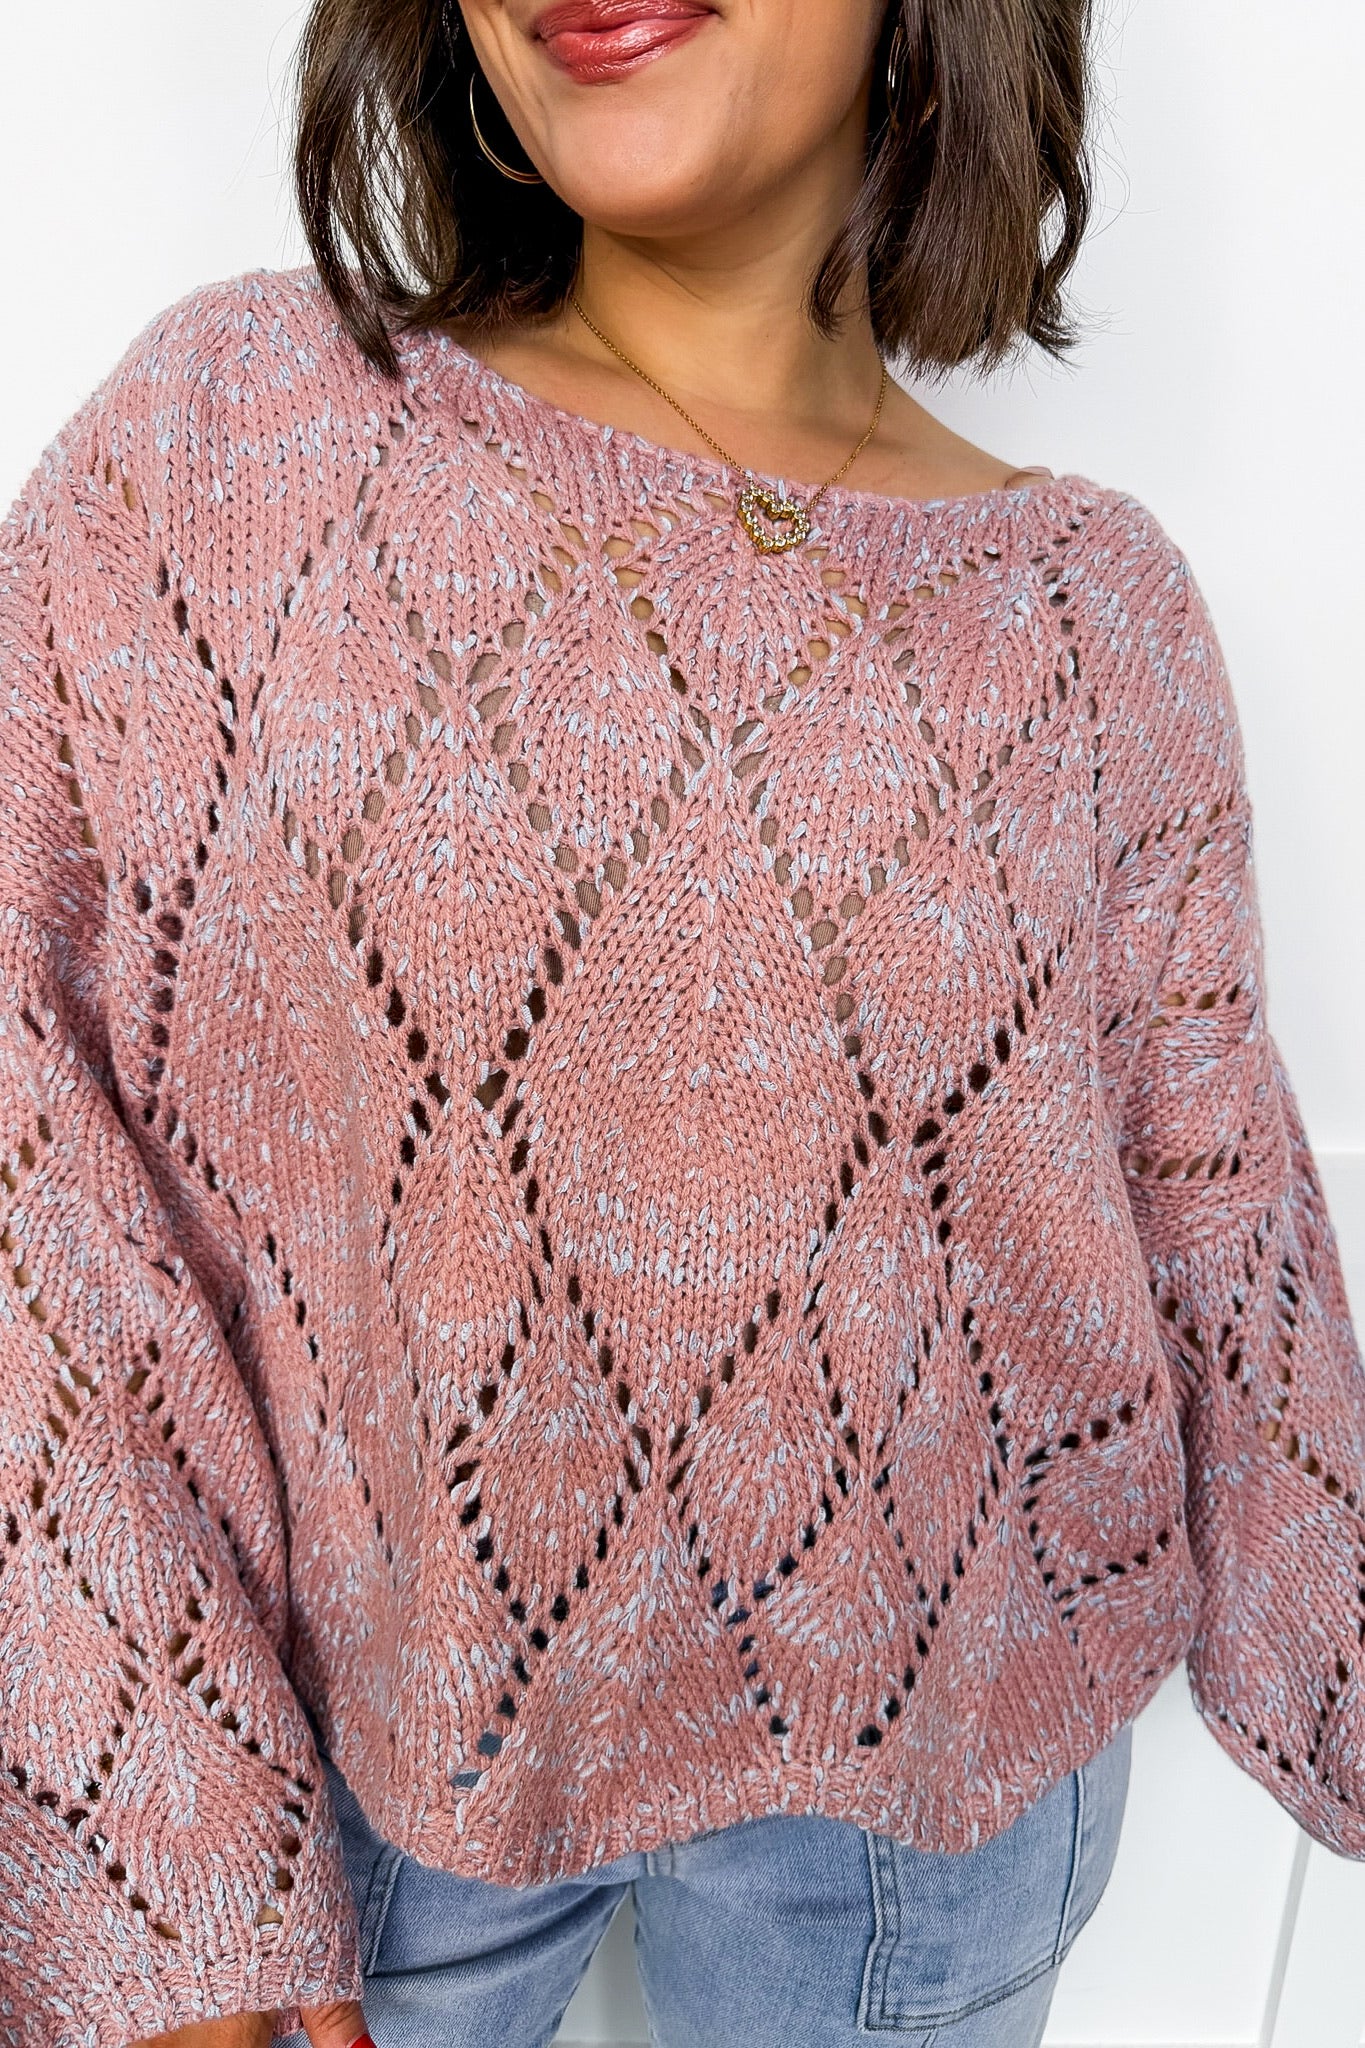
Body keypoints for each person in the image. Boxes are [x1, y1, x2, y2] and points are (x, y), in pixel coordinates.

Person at [1, 2, 1361, 2047]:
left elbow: (1209, 1204)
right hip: (354, 1749)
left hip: (937, 1783)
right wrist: (154, 1851)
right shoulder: (234, 433)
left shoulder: (1093, 613)